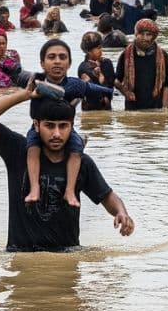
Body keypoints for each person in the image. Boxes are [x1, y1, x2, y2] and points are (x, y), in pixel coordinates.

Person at [0, 82, 134, 252]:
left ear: (71, 126)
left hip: (67, 257)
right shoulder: (18, 152)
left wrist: (121, 212)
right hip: (20, 255)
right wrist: (24, 95)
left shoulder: (81, 162)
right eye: (49, 125)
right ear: (36, 125)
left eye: (63, 126)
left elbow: (107, 196)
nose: (56, 134)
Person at [24, 39, 113, 208]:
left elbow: (96, 90)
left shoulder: (76, 85)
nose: (57, 61)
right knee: (32, 149)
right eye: (51, 57)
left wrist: (108, 91)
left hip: (66, 130)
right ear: (42, 63)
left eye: (62, 57)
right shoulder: (35, 81)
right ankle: (34, 188)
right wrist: (28, 94)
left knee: (76, 150)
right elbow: (14, 80)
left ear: (70, 63)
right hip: (38, 128)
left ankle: (70, 191)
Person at [115, 19, 168, 111]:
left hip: (156, 108)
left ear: (153, 37)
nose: (144, 38)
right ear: (136, 34)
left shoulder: (163, 55)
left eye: (148, 35)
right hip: (132, 108)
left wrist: (165, 108)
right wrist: (126, 92)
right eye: (141, 34)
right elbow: (116, 80)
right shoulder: (126, 55)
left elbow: (167, 85)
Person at [77, 32, 115, 111]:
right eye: (98, 48)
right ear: (89, 51)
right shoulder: (83, 68)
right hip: (90, 109)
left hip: (106, 107)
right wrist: (98, 75)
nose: (101, 50)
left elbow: (111, 87)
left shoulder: (107, 63)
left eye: (101, 47)